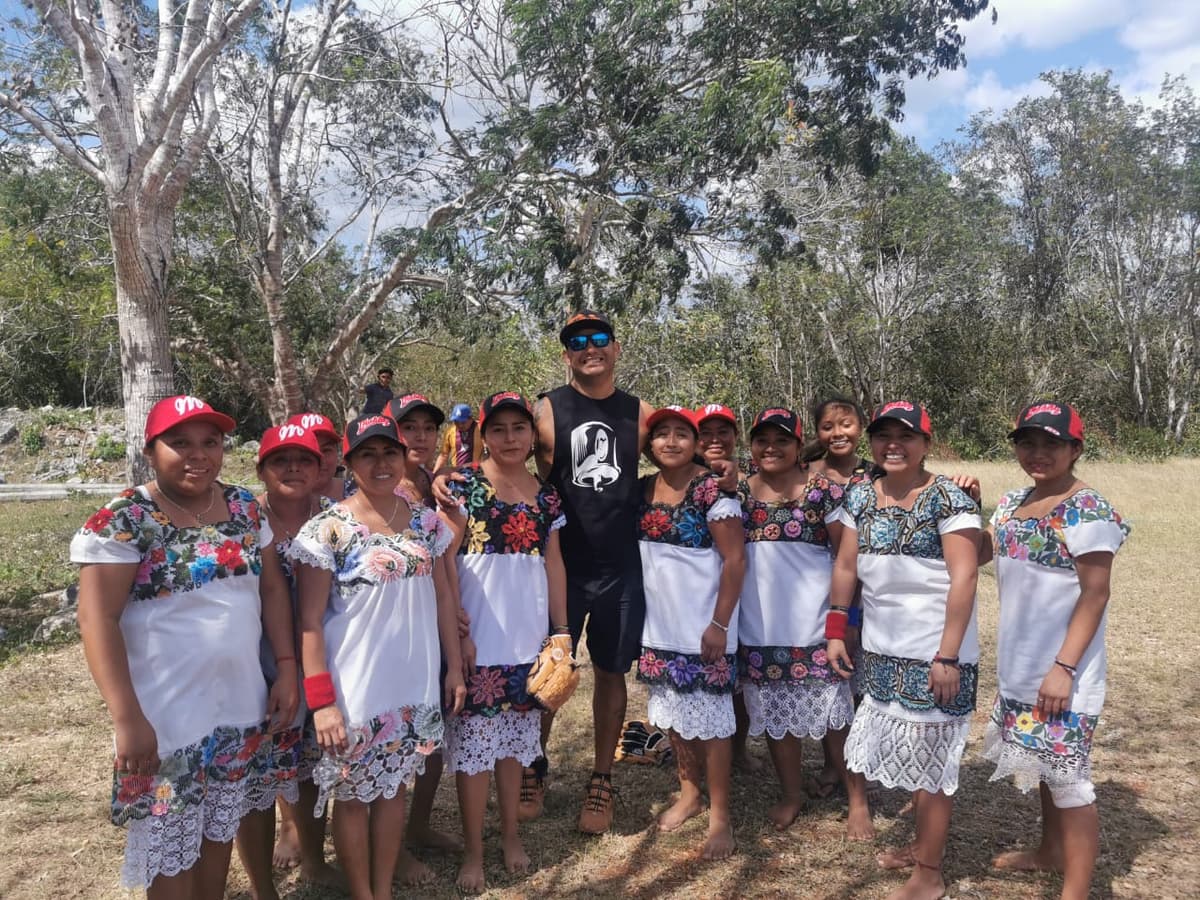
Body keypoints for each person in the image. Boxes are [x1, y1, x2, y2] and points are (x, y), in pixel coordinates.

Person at [73, 395, 298, 898]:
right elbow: (97, 618)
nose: (199, 455)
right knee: (170, 852)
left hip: (238, 706)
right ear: (150, 450)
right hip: (167, 719)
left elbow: (271, 590)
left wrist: (285, 666)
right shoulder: (124, 519)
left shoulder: (242, 507)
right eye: (180, 443)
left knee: (217, 836)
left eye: (210, 442)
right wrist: (127, 718)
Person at [290, 415, 466, 900]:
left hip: (411, 683)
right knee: (350, 797)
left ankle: (382, 890)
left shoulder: (428, 523)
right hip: (354, 690)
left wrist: (453, 666)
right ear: (348, 462)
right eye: (367, 454)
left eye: (390, 452)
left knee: (393, 790)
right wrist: (322, 701)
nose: (381, 463)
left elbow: (445, 599)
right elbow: (308, 623)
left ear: (404, 457)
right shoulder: (327, 530)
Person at [826, 401, 981, 900]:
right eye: (883, 435)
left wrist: (948, 656)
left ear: (926, 444)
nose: (893, 444)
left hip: (935, 655)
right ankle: (921, 848)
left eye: (906, 436)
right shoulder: (860, 498)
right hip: (882, 651)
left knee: (932, 765)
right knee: (916, 757)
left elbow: (965, 576)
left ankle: (930, 875)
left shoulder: (950, 500)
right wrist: (835, 630)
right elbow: (846, 567)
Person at [979, 402, 1128, 900]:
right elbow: (983, 553)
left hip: (1065, 672)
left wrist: (1063, 668)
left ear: (1075, 449)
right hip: (1022, 667)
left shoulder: (1088, 510)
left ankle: (1076, 891)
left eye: (1051, 443)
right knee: (1044, 766)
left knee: (1071, 782)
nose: (1037, 453)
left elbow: (1095, 593)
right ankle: (1050, 851)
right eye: (1027, 443)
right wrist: (964, 506)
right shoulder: (1012, 503)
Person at [440, 391, 570, 893]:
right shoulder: (463, 488)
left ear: (532, 436)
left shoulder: (547, 495)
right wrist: (454, 621)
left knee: (517, 745)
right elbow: (445, 559)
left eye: (519, 428)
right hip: (480, 640)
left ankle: (511, 834)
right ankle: (474, 848)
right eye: (499, 429)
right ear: (483, 436)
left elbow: (554, 564)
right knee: (474, 754)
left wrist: (559, 632)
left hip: (527, 640)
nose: (510, 438)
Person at [735, 407, 871, 838]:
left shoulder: (822, 493)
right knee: (778, 720)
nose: (770, 448)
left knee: (837, 718)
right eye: (761, 440)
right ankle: (791, 794)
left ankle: (857, 802)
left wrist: (843, 618)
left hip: (817, 630)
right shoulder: (738, 494)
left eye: (781, 440)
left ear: (798, 446)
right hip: (760, 632)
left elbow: (846, 558)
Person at [636, 405, 745, 859]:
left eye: (683, 433)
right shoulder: (642, 489)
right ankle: (689, 791)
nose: (672, 441)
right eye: (662, 434)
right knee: (677, 717)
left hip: (706, 627)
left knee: (715, 723)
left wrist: (719, 624)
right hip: (661, 626)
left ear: (697, 442)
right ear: (650, 444)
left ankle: (720, 813)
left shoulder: (712, 491)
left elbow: (736, 561)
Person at [239, 422, 343, 895]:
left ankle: (316, 862)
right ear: (261, 469)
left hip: (324, 659)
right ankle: (263, 888)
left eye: (304, 459)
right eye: (280, 461)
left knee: (307, 768)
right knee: (257, 778)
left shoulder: (337, 516)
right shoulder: (242, 519)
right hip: (259, 665)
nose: (294, 468)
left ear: (321, 467)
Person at [387, 392, 468, 884]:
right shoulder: (387, 487)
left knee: (432, 734)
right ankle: (392, 847)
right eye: (408, 427)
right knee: (396, 740)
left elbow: (446, 556)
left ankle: (416, 826)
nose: (418, 435)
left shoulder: (429, 482)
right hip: (397, 629)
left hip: (432, 618)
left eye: (427, 428)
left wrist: (455, 608)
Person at [801, 396, 874, 797]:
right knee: (832, 684)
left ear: (860, 426)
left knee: (861, 687)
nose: (837, 433)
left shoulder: (877, 475)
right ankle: (834, 766)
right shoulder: (806, 475)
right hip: (823, 595)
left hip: (872, 593)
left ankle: (859, 765)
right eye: (827, 427)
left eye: (845, 424)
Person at [695, 403, 760, 774]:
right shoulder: (681, 476)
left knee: (741, 676)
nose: (715, 440)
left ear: (736, 437)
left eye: (724, 432)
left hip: (746, 590)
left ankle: (737, 749)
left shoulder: (747, 480)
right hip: (703, 594)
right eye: (706, 433)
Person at [287, 412, 348, 501]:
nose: (320, 460)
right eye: (308, 452)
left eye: (326, 450)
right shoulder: (265, 509)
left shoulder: (363, 494)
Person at [433, 402, 483, 471]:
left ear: (471, 419)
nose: (460, 425)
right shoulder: (450, 431)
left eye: (463, 422)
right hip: (457, 472)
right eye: (456, 422)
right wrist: (434, 474)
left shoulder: (481, 429)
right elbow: (443, 455)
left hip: (478, 472)